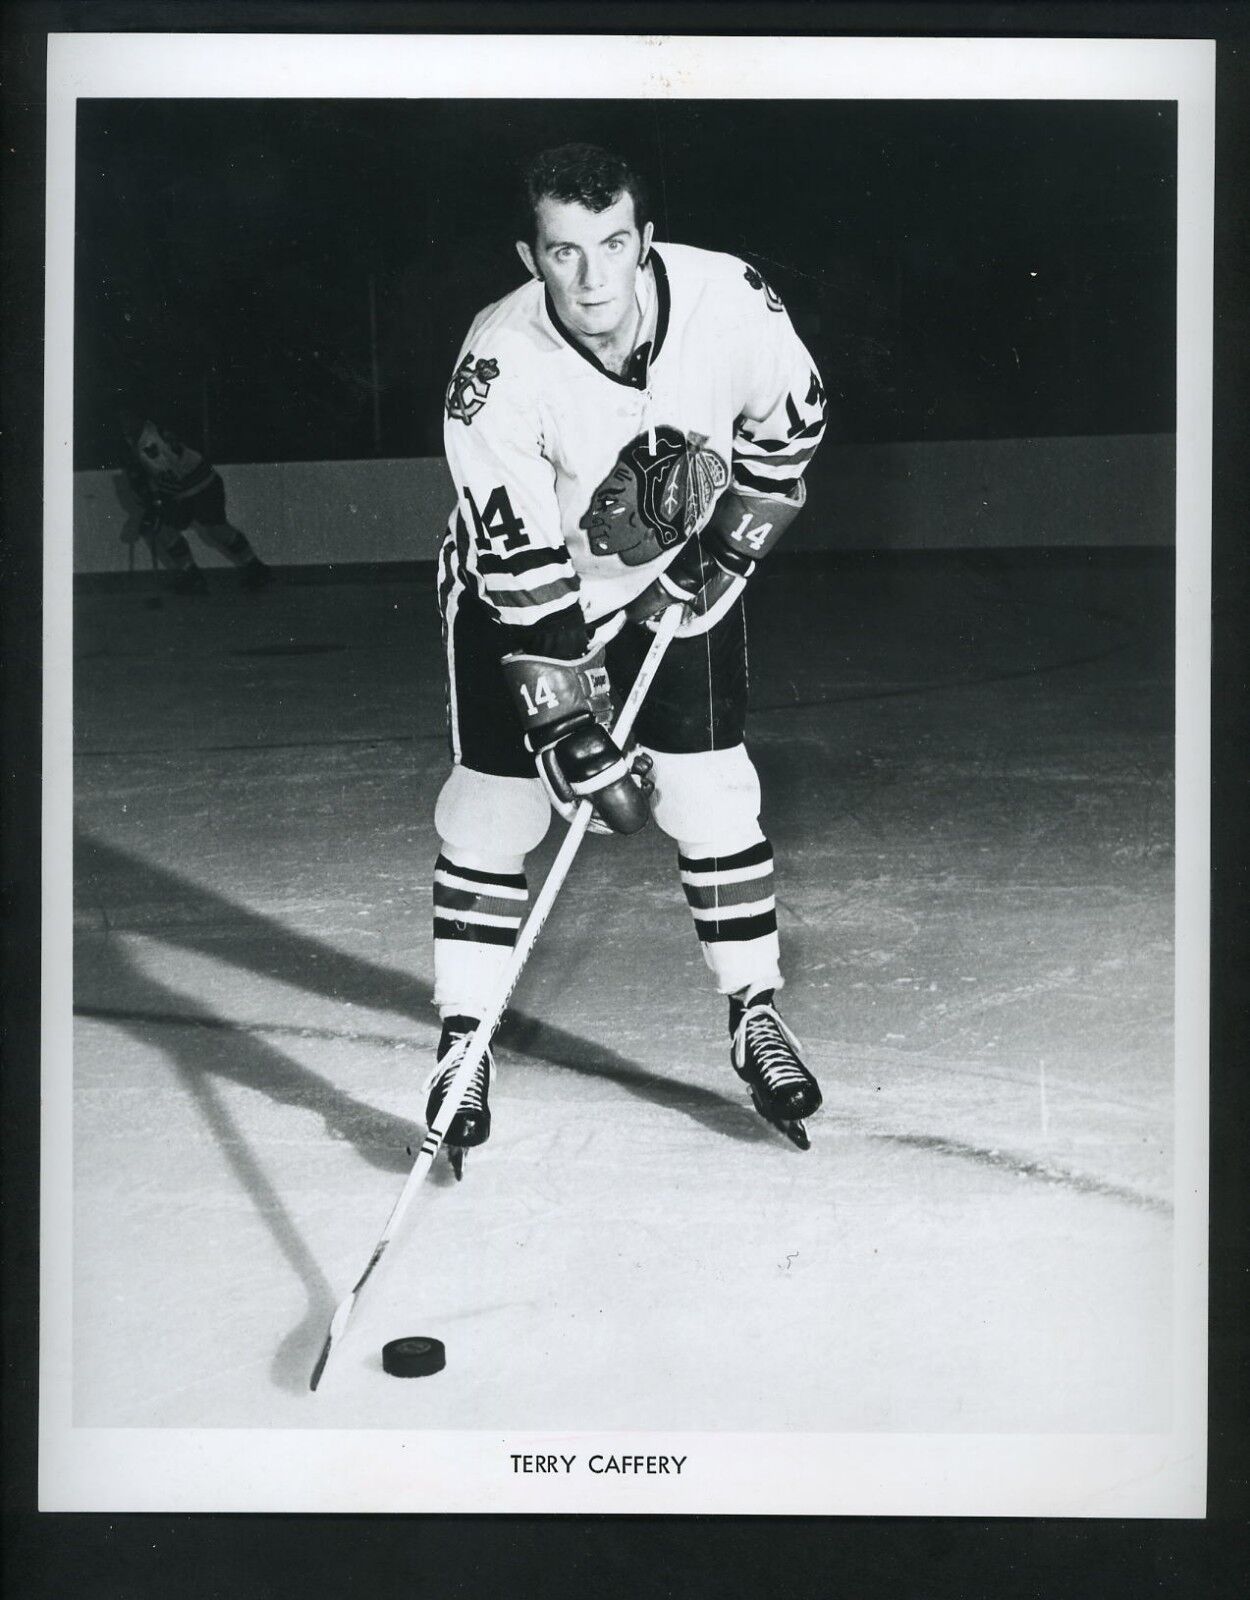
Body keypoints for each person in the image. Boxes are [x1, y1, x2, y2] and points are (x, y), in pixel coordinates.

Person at [428, 143, 828, 1172]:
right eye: (563, 254)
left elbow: (788, 439)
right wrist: (566, 723)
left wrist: (726, 553)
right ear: (532, 255)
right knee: (495, 809)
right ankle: (462, 1036)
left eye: (612, 246)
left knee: (709, 795)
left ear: (644, 240)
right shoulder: (495, 368)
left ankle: (752, 1012)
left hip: (676, 576)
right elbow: (518, 566)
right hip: (522, 596)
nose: (592, 280)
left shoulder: (730, 302)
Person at [118, 410, 273, 594]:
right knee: (186, 528)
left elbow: (168, 479)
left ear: (138, 418)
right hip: (197, 482)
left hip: (197, 486)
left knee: (208, 528)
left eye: (127, 418)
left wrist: (154, 504)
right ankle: (245, 568)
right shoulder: (144, 432)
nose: (124, 423)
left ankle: (201, 575)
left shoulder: (149, 443)